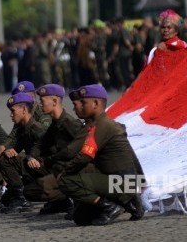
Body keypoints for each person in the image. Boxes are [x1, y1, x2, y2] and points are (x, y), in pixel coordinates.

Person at [58, 84, 144, 226]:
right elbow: (132, 155)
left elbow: (84, 156)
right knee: (80, 218)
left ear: (96, 104)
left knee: (66, 180)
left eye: (84, 102)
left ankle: (112, 206)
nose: (79, 106)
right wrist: (140, 181)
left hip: (120, 182)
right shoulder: (105, 124)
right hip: (122, 182)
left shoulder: (101, 126)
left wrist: (64, 172)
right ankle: (128, 202)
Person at [23, 84, 85, 215]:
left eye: (43, 101)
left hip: (75, 169)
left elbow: (82, 151)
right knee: (28, 164)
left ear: (55, 102)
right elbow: (40, 144)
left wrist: (47, 161)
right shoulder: (55, 124)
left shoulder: (70, 124)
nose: (40, 105)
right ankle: (60, 202)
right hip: (60, 167)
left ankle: (79, 200)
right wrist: (31, 157)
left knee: (35, 188)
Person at [0, 92, 47, 213]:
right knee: (4, 202)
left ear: (24, 110)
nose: (11, 115)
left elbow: (51, 150)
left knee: (5, 161)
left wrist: (31, 157)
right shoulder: (23, 128)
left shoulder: (37, 128)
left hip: (43, 167)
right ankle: (19, 194)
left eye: (13, 111)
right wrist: (9, 151)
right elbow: (16, 148)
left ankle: (21, 198)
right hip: (33, 167)